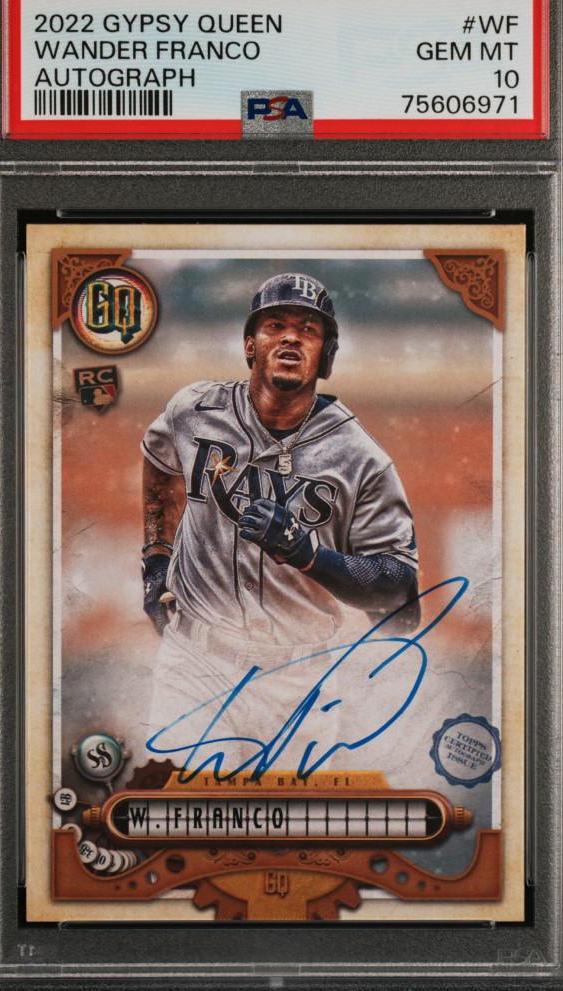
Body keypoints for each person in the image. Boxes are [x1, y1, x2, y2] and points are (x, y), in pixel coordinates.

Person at [141, 272, 419, 775]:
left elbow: (400, 590)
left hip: (300, 680)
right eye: (275, 325)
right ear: (250, 345)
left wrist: (309, 554)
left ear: (326, 355)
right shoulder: (193, 411)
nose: (291, 337)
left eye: (309, 330)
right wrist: (156, 560)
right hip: (195, 665)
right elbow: (161, 464)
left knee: (285, 822)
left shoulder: (361, 458)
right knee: (188, 814)